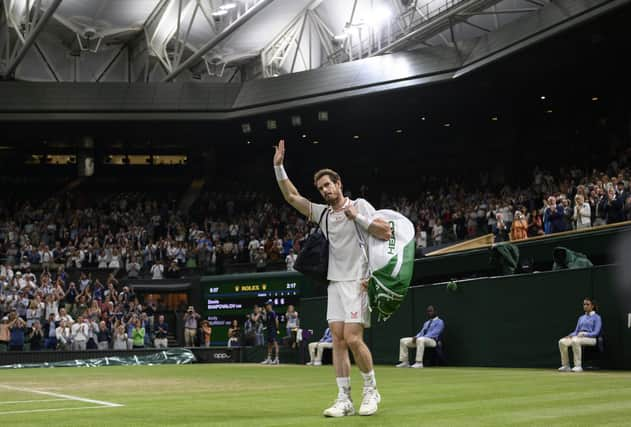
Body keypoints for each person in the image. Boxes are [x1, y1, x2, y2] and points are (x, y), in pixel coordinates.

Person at [273, 139, 391, 417]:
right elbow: (292, 197)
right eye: (321, 187)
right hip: (335, 283)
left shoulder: (359, 205)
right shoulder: (323, 214)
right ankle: (344, 399)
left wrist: (357, 218)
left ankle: (371, 390)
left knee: (352, 337)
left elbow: (385, 231)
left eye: (328, 184)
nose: (325, 190)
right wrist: (279, 168)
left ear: (339, 184)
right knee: (337, 339)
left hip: (359, 281)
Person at [558, 297, 602, 372]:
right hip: (578, 336)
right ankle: (566, 365)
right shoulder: (581, 318)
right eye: (584, 304)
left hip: (592, 339)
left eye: (587, 304)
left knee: (575, 341)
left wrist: (585, 334)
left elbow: (596, 332)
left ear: (592, 306)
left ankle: (578, 366)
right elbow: (576, 331)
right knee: (562, 342)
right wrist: (570, 335)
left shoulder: (597, 317)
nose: (585, 306)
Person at [260, 300, 280, 365]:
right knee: (269, 345)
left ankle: (277, 359)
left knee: (275, 344)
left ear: (270, 305)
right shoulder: (268, 313)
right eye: (266, 305)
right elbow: (265, 321)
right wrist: (263, 314)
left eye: (267, 305)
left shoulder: (273, 313)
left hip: (273, 330)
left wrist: (277, 329)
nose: (266, 306)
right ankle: (269, 359)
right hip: (269, 330)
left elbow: (276, 321)